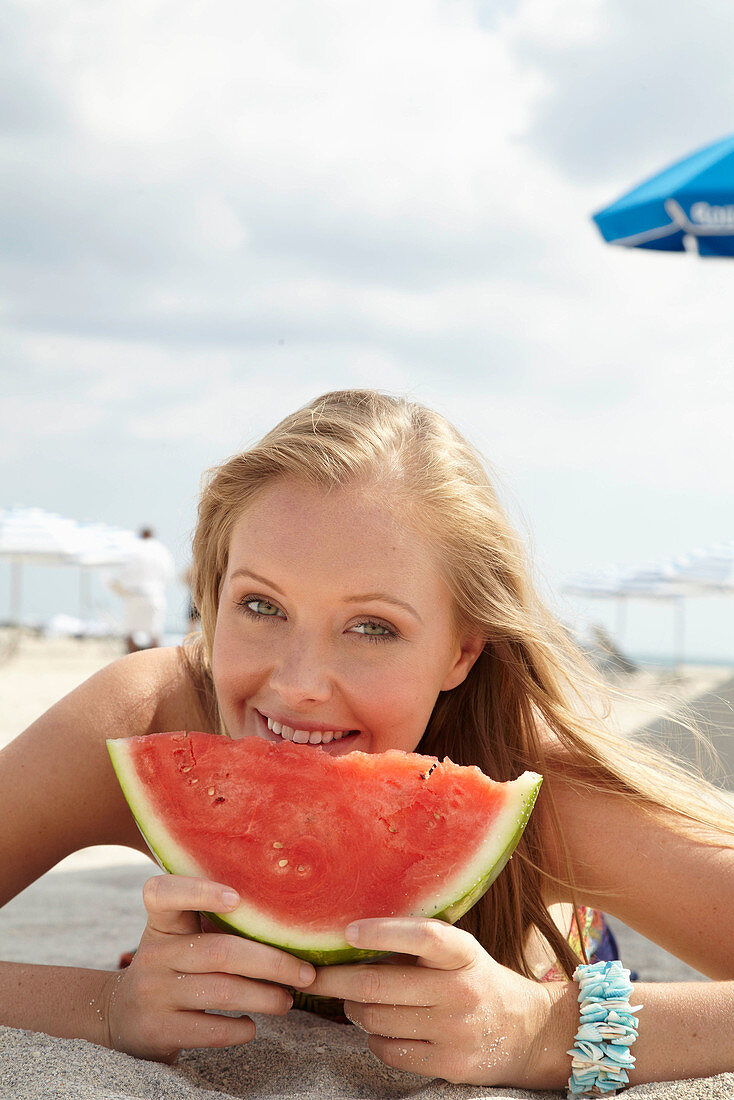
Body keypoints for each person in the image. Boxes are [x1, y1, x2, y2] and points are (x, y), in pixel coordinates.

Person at [1, 389, 732, 1093]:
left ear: (461, 651)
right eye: (261, 605)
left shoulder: (531, 781)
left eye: (372, 627)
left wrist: (544, 1031)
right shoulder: (149, 718)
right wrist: (108, 1007)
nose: (298, 685)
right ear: (213, 597)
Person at [109, 527, 176, 653]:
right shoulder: (162, 551)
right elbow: (169, 575)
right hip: (155, 595)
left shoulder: (134, 550)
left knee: (130, 632)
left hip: (135, 595)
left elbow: (123, 574)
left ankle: (131, 660)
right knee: (155, 634)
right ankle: (153, 661)